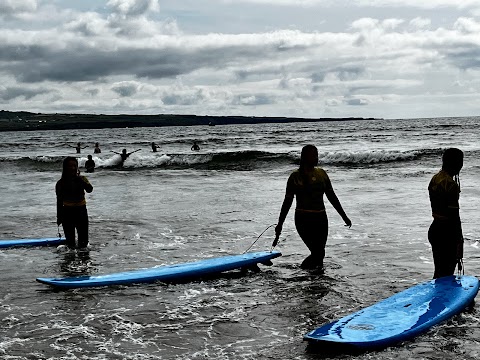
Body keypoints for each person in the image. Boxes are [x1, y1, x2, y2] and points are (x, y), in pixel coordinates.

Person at [274, 145, 351, 270]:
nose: (316, 157)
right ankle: (303, 271)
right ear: (304, 157)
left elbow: (332, 197)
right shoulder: (295, 177)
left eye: (317, 154)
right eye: (313, 155)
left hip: (321, 218)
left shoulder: (322, 174)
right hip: (303, 219)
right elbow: (287, 202)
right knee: (317, 252)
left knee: (320, 253)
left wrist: (344, 216)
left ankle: (316, 280)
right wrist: (280, 224)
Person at [428, 148, 464, 279]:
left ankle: (436, 297)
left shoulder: (435, 179)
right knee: (447, 273)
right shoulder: (451, 184)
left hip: (435, 229)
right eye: (460, 161)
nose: (461, 165)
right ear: (455, 163)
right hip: (447, 232)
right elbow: (454, 217)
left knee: (439, 272)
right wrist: (460, 240)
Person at [56, 156, 93, 249]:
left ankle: (84, 262)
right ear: (65, 168)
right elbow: (59, 201)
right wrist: (59, 217)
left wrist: (82, 180)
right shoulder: (60, 183)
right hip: (67, 213)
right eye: (70, 166)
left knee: (83, 243)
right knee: (70, 243)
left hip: (81, 212)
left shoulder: (82, 179)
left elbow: (90, 190)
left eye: (74, 166)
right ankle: (70, 261)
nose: (72, 168)